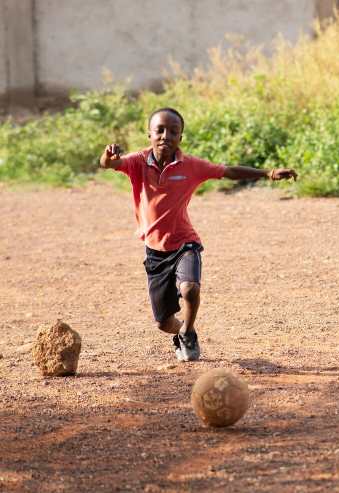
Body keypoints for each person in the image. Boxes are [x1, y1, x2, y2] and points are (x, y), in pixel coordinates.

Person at [99, 107, 297, 362]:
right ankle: (180, 329)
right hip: (155, 251)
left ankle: (189, 332)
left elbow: (228, 171)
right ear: (149, 134)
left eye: (173, 131)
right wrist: (107, 156)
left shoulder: (191, 166)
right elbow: (110, 164)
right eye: (159, 130)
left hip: (185, 243)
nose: (165, 136)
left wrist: (267, 173)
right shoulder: (138, 162)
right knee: (162, 322)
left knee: (190, 288)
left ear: (180, 138)